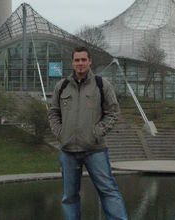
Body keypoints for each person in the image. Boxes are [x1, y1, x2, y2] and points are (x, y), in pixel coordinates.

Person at [48, 46, 128, 220]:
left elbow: (113, 112)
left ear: (90, 61)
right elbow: (53, 113)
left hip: (95, 149)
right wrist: (60, 133)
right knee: (70, 197)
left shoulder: (101, 84)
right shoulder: (62, 86)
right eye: (77, 60)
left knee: (108, 191)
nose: (80, 63)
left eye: (84, 60)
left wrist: (97, 132)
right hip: (68, 150)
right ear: (72, 62)